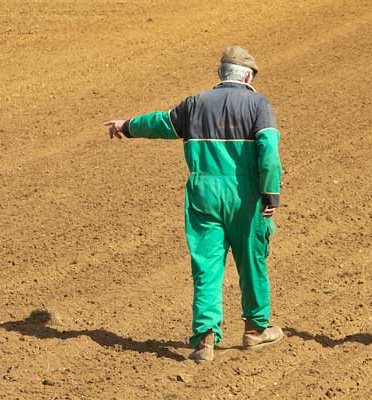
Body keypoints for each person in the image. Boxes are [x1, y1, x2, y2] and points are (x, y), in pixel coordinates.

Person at [104, 46, 284, 362]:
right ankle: (256, 329)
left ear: (221, 74)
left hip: (203, 193)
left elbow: (159, 123)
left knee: (207, 265)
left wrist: (127, 126)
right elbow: (268, 151)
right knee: (253, 260)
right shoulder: (258, 104)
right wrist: (271, 194)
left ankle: (204, 339)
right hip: (246, 195)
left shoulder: (194, 104)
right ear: (245, 75)